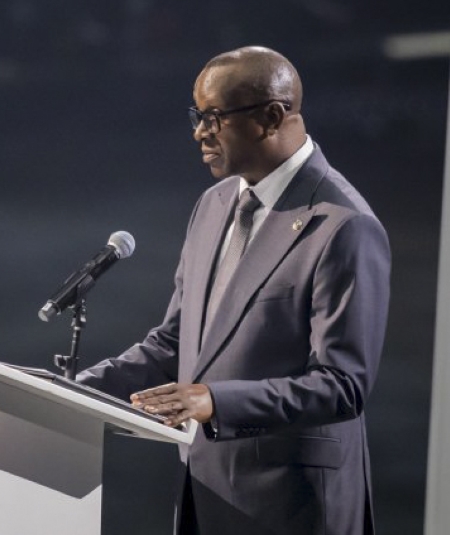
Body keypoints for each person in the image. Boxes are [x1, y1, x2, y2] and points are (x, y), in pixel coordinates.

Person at [76, 46, 391, 535]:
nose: (199, 132)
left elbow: (342, 385)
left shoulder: (344, 226)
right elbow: (175, 343)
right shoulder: (214, 204)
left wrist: (216, 402)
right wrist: (70, 389)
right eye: (197, 116)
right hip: (206, 494)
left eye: (214, 117)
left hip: (292, 508)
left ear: (271, 117)